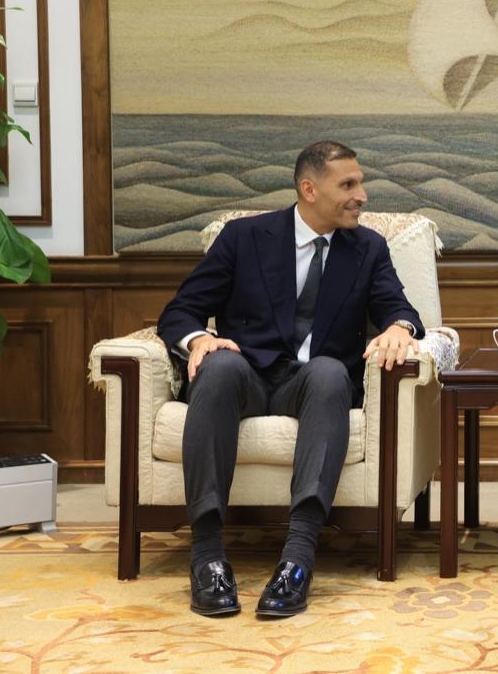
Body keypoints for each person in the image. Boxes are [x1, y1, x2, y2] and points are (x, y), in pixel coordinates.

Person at [158, 140, 424, 618]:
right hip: (245, 376)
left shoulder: (367, 248)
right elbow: (180, 311)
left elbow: (399, 309)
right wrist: (198, 340)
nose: (361, 196)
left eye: (360, 183)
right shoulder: (243, 238)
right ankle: (207, 556)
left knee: (330, 371)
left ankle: (297, 559)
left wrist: (399, 328)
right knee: (218, 365)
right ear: (309, 189)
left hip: (311, 386)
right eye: (348, 184)